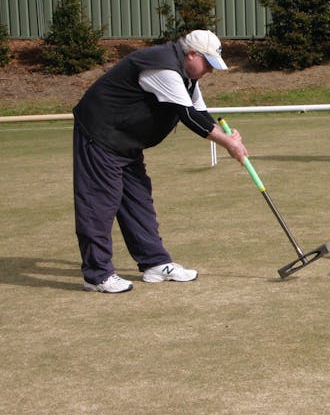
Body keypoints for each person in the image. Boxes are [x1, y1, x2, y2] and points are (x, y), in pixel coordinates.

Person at [72, 30, 248, 293]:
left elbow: (200, 112)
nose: (210, 71)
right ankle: (97, 275)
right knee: (100, 204)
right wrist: (229, 143)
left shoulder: (188, 75)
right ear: (192, 54)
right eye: (208, 64)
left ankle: (154, 263)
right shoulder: (162, 67)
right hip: (100, 135)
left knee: (138, 200)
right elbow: (188, 116)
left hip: (127, 142)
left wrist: (226, 137)